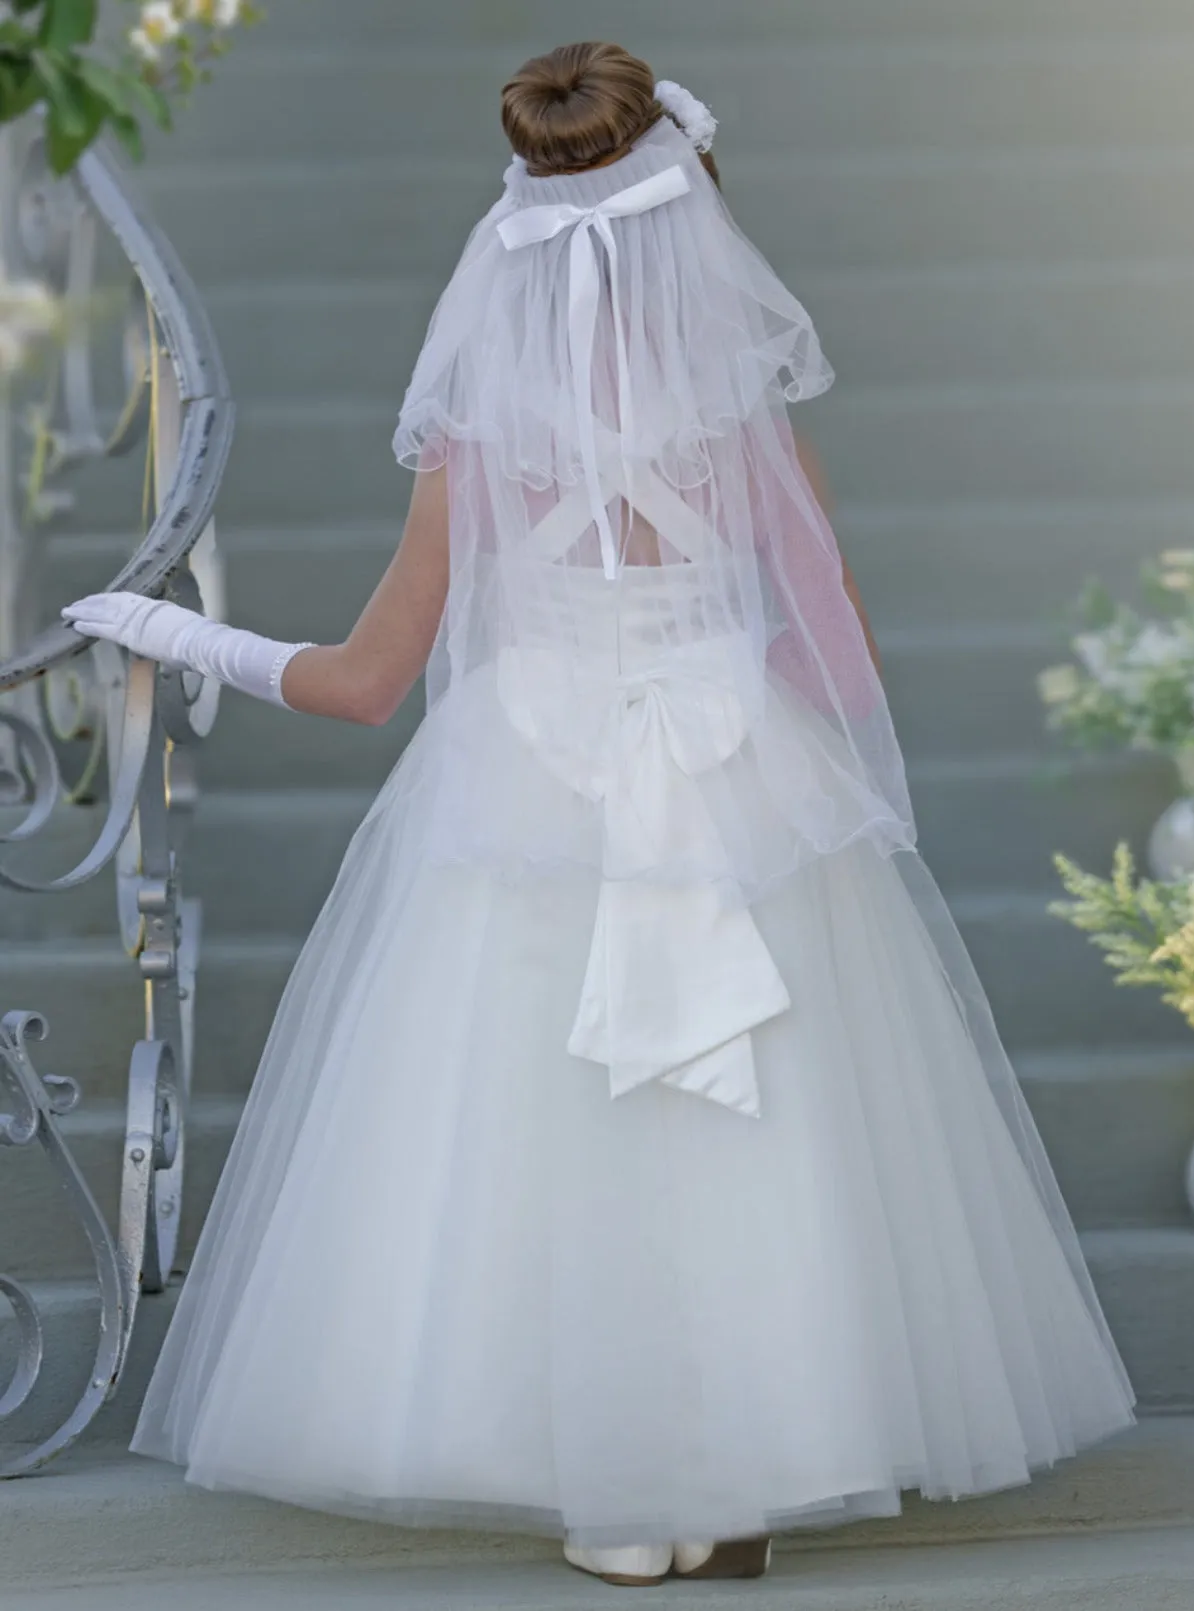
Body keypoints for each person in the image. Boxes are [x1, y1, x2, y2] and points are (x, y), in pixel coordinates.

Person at [63, 41, 1136, 1591]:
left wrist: (177, 635)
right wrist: (715, 660)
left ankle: (618, 1481)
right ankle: (747, 1464)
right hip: (725, 781)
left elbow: (370, 684)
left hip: (527, 782)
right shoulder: (745, 428)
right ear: (691, 233)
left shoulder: (479, 443)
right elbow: (841, 671)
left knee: (543, 1136)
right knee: (750, 1129)